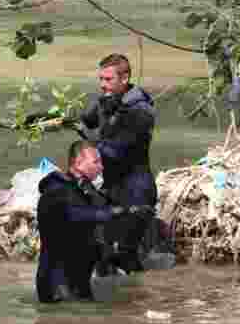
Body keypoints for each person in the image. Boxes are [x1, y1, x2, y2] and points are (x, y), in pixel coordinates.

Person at [73, 53, 172, 270]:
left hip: (137, 192)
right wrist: (49, 119)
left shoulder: (140, 111)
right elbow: (81, 119)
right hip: (112, 190)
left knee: (125, 255)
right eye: (101, 79)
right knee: (102, 255)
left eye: (108, 80)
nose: (103, 85)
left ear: (124, 78)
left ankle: (139, 299)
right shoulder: (105, 102)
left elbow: (115, 150)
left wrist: (85, 136)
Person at [35, 140, 151, 303]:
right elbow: (79, 215)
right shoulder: (56, 191)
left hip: (78, 283)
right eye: (96, 162)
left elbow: (91, 227)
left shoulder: (84, 191)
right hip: (58, 286)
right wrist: (119, 212)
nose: (101, 167)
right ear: (78, 162)